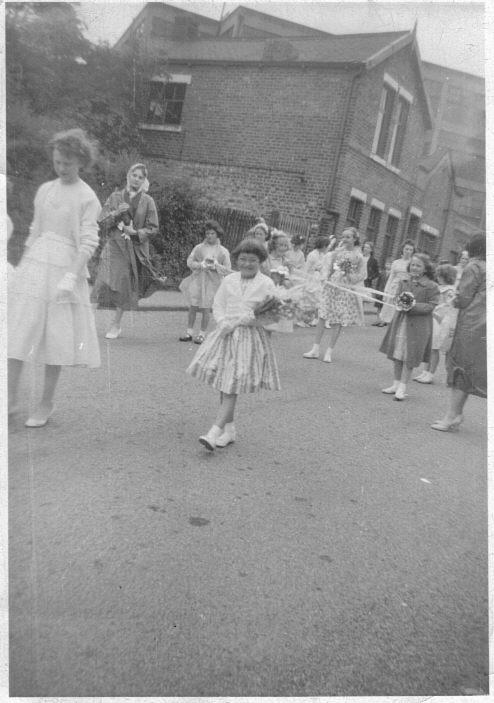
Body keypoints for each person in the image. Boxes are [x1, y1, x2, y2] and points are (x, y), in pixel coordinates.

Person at [8, 128, 101, 427]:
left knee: (54, 340)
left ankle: (46, 402)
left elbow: (88, 242)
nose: (61, 168)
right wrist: (21, 268)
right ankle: (9, 399)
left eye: (68, 164)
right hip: (36, 266)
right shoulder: (45, 189)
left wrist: (70, 277)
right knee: (17, 332)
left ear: (81, 163)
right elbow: (35, 230)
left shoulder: (87, 197)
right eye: (58, 161)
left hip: (65, 270)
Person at [186, 238, 281, 450]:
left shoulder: (267, 284)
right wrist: (222, 322)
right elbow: (218, 305)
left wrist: (250, 320)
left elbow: (272, 316)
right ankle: (229, 431)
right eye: (243, 259)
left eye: (253, 260)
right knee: (225, 383)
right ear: (237, 260)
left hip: (249, 339)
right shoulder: (229, 280)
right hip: (226, 335)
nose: (247, 264)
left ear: (261, 262)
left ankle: (214, 432)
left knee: (231, 385)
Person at [92, 163, 163, 339]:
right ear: (128, 176)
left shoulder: (148, 201)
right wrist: (116, 212)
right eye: (134, 175)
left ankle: (116, 325)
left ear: (144, 181)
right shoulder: (116, 196)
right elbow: (101, 222)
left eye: (140, 177)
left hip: (132, 249)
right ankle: (88, 322)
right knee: (101, 281)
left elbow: (153, 228)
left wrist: (136, 232)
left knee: (123, 285)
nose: (136, 179)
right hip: (113, 245)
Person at [431, 234, 486, 431]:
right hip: (484, 326)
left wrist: (453, 298)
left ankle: (451, 416)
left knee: (460, 369)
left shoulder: (474, 266)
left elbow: (463, 299)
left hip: (470, 323)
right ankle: (456, 414)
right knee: (469, 371)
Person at [380, 253, 440, 401]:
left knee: (409, 355)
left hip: (418, 326)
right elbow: (397, 298)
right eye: (413, 264)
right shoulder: (404, 281)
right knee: (397, 353)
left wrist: (413, 305)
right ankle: (395, 383)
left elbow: (431, 306)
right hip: (401, 322)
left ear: (425, 269)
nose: (414, 267)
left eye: (418, 265)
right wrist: (399, 302)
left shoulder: (431, 286)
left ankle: (402, 387)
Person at [303, 227, 366, 363]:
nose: (345, 240)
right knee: (322, 315)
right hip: (331, 286)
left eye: (348, 237)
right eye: (343, 237)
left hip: (344, 289)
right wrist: (325, 277)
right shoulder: (336, 253)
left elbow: (361, 276)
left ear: (355, 239)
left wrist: (349, 273)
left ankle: (329, 351)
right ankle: (315, 348)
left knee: (338, 319)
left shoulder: (359, 256)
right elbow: (328, 267)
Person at [179, 220, 231, 344]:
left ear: (217, 234)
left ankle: (202, 334)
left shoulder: (223, 251)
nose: (209, 236)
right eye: (207, 233)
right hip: (198, 279)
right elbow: (189, 261)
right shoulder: (199, 248)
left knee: (206, 308)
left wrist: (216, 266)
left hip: (212, 283)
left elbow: (228, 270)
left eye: (212, 233)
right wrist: (200, 265)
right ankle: (189, 332)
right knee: (193, 305)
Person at [414, 263, 458, 384]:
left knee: (435, 348)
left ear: (445, 276)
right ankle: (425, 371)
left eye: (439, 276)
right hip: (433, 318)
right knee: (429, 347)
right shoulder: (440, 288)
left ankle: (431, 373)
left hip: (442, 321)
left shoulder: (449, 291)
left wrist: (439, 314)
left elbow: (450, 307)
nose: (437, 278)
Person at [377, 239, 416, 326]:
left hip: (405, 287)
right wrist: (386, 290)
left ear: (413, 251)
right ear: (402, 249)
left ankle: (396, 323)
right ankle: (385, 321)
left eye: (410, 250)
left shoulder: (412, 263)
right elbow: (391, 277)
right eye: (406, 249)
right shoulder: (395, 262)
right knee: (389, 306)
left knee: (400, 307)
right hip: (394, 286)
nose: (408, 251)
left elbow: (413, 277)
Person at [296, 235, 329, 326]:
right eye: (326, 246)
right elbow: (307, 268)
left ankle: (313, 319)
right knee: (307, 299)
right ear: (322, 246)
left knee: (316, 300)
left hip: (317, 279)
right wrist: (305, 280)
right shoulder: (312, 254)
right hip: (311, 279)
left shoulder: (322, 254)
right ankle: (300, 320)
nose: (327, 248)